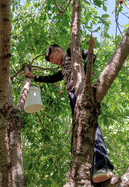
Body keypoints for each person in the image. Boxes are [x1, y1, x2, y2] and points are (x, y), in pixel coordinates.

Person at [25, 44, 114, 183]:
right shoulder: (65, 67)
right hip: (73, 97)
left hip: (80, 92)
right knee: (79, 132)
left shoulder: (71, 54)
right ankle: (91, 170)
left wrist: (84, 79)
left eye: (53, 58)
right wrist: (35, 77)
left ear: (58, 50)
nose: (54, 62)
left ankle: (104, 165)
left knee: (90, 124)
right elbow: (53, 78)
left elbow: (91, 56)